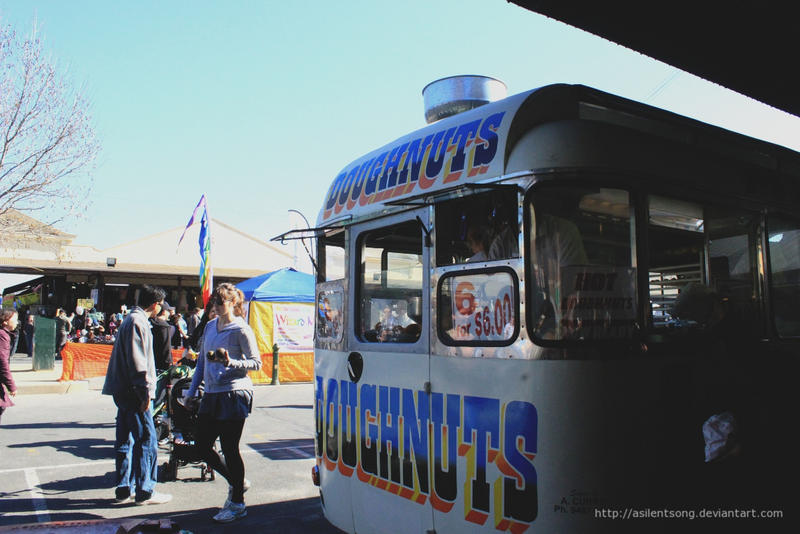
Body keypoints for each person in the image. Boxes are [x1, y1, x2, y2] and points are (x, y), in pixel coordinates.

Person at [183, 283, 261, 523]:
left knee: (229, 447)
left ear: (233, 304)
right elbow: (202, 364)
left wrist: (232, 363)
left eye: (220, 302)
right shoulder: (209, 326)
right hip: (212, 394)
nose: (215, 306)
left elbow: (256, 363)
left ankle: (237, 502)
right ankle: (237, 482)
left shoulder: (241, 330)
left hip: (234, 394)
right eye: (213, 302)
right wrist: (191, 391)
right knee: (202, 445)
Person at [101, 285, 171, 506]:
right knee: (146, 440)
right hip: (133, 391)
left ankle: (124, 488)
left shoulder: (131, 320)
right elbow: (137, 360)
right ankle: (145, 490)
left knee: (125, 439)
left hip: (124, 389)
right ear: (156, 304)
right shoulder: (137, 322)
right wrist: (144, 392)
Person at [1, 308, 19, 426]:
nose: (17, 322)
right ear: (5, 321)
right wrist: (11, 386)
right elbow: (2, 362)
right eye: (15, 319)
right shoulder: (2, 336)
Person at [150, 303, 173, 372]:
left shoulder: (149, 322)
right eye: (168, 311)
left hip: (148, 359)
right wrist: (169, 362)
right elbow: (166, 347)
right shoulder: (164, 326)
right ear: (164, 312)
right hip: (160, 364)